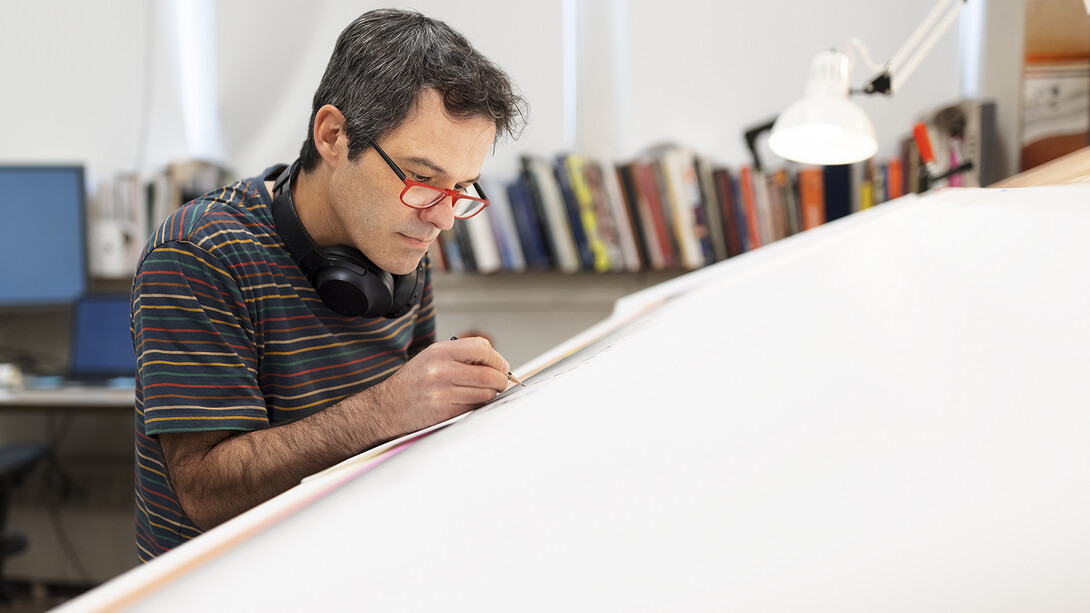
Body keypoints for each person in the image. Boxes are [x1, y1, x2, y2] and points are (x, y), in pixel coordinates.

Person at [131, 8, 526, 561]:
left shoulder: (403, 239)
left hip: (350, 555)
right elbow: (204, 491)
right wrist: (386, 408)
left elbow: (416, 422)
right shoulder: (199, 254)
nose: (441, 218)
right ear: (334, 136)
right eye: (422, 177)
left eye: (462, 187)